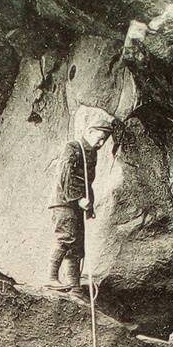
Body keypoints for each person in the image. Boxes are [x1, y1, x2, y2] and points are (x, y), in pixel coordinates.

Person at [46, 125, 111, 296]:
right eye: (99, 138)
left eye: (105, 140)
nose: (101, 142)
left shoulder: (92, 154)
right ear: (89, 132)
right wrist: (78, 199)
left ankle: (74, 286)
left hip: (76, 206)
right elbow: (65, 175)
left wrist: (89, 206)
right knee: (66, 238)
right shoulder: (73, 147)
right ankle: (51, 277)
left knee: (77, 245)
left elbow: (87, 184)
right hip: (64, 203)